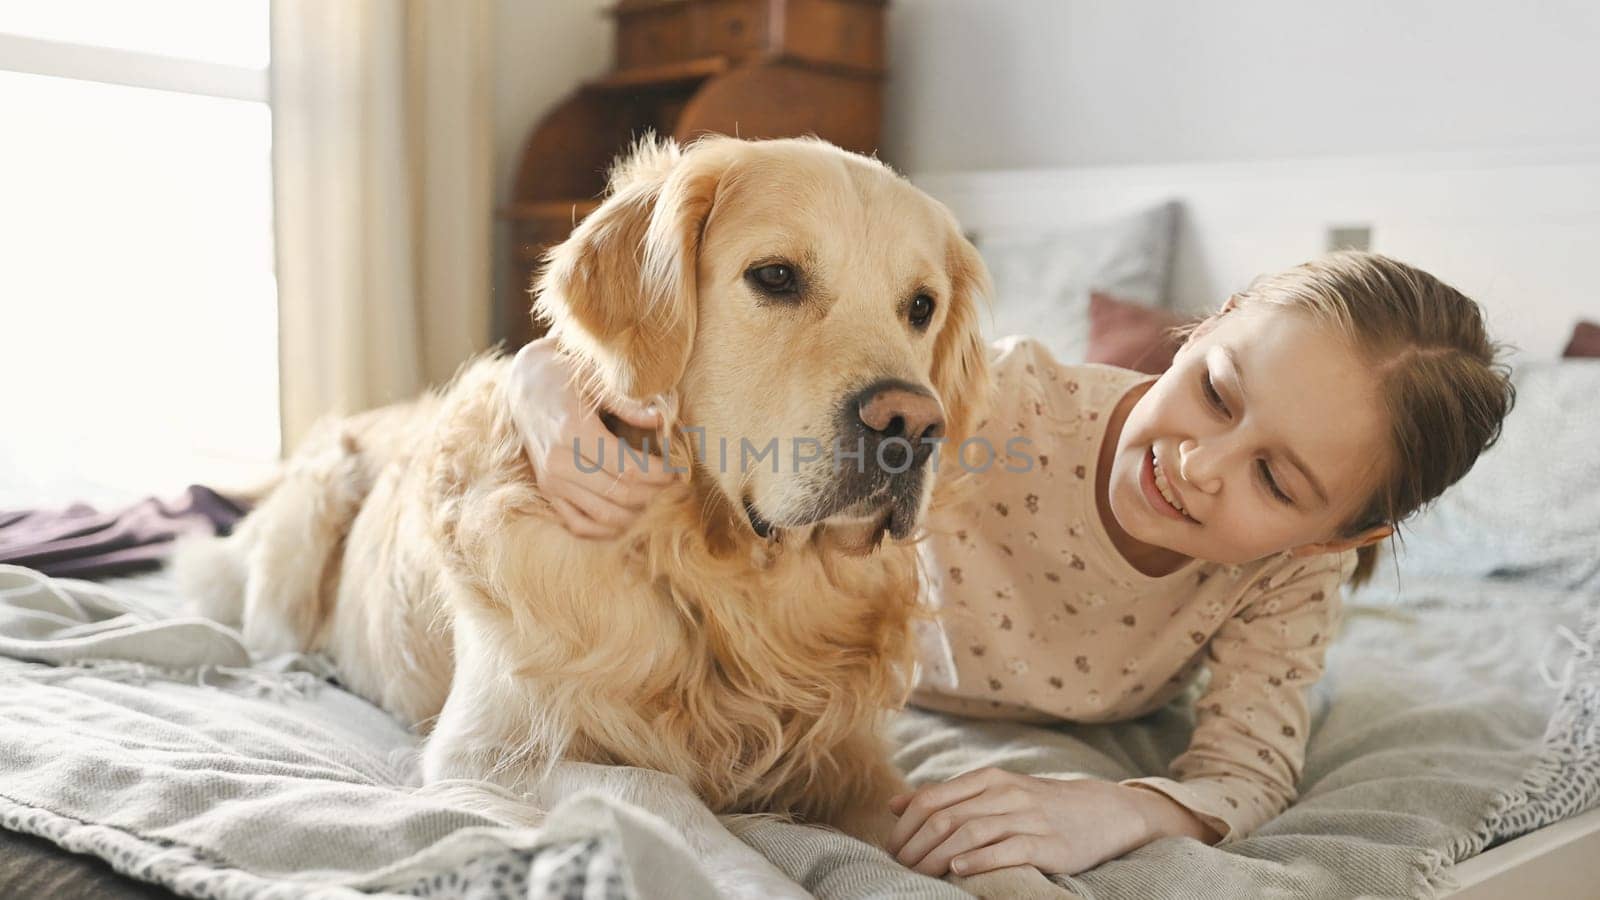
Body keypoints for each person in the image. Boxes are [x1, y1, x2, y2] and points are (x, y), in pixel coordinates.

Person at [506, 251, 1515, 878]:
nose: (1198, 466)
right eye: (1214, 389)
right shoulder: (995, 401)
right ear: (1210, 323)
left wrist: (1117, 807)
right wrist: (541, 384)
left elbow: (1244, 771)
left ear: (1334, 536)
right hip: (882, 685)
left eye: (1277, 483)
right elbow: (712, 408)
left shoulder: (1289, 574)